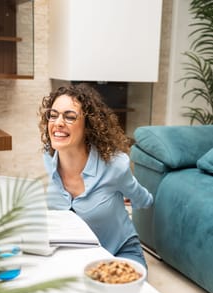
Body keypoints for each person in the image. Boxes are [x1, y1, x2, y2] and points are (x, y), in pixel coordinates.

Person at [38, 83, 153, 268]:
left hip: (118, 252)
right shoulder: (49, 156)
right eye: (53, 115)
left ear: (88, 126)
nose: (58, 123)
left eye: (69, 117)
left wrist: (123, 198)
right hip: (74, 256)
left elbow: (143, 199)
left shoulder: (115, 165)